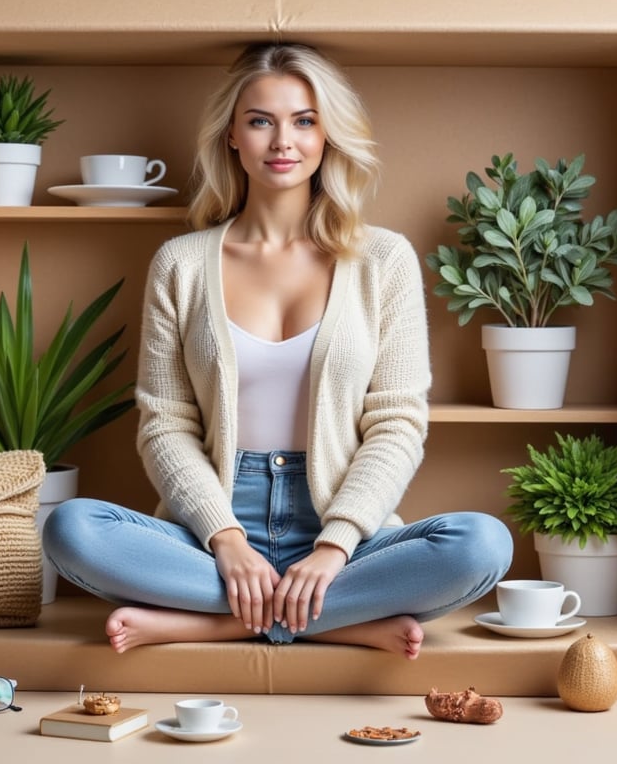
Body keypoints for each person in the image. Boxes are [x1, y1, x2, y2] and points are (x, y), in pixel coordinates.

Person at [42, 42, 513, 660]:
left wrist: (335, 545)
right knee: (69, 529)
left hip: (342, 527)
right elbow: (165, 425)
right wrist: (226, 539)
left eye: (304, 120)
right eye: (261, 120)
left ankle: (211, 622)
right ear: (233, 137)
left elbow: (397, 423)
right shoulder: (180, 264)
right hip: (211, 527)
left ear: (328, 137)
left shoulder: (383, 259)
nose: (282, 141)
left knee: (481, 546)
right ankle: (338, 622)